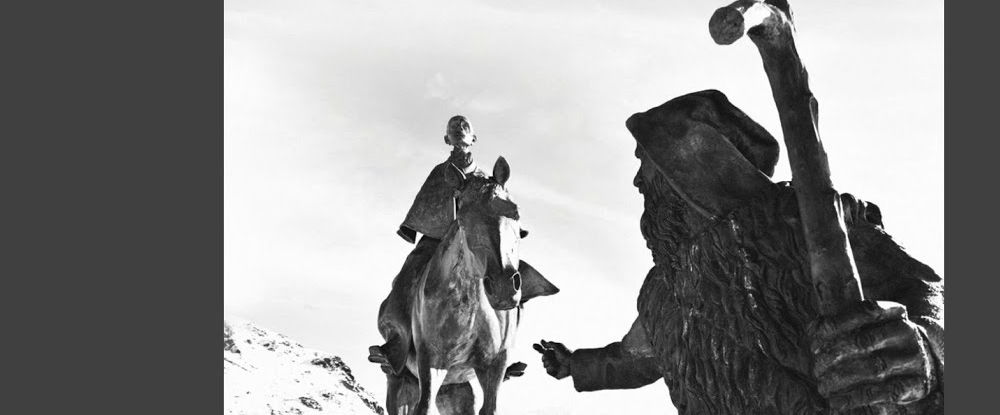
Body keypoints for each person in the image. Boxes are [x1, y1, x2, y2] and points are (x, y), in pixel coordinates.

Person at [535, 90, 944, 415]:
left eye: (646, 161)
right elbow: (635, 358)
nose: (637, 181)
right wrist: (576, 365)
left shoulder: (803, 227)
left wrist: (928, 349)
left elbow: (930, 295)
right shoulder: (663, 288)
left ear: (688, 164)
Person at [369, 115, 489, 375]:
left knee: (504, 276)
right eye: (453, 128)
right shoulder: (439, 173)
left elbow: (494, 210)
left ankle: (498, 351)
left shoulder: (483, 179)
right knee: (408, 275)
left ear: (473, 138)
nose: (459, 130)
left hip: (473, 245)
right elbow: (427, 202)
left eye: (464, 127)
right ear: (447, 139)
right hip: (437, 241)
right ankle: (397, 341)